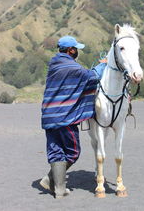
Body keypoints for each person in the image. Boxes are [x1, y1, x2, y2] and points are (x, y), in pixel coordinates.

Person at [40, 35, 106, 199]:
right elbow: (92, 77)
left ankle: (60, 190)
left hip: (49, 116)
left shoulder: (54, 64)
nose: (77, 51)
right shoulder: (72, 67)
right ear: (70, 50)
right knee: (73, 151)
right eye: (76, 48)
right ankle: (49, 179)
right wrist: (103, 65)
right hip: (65, 117)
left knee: (55, 151)